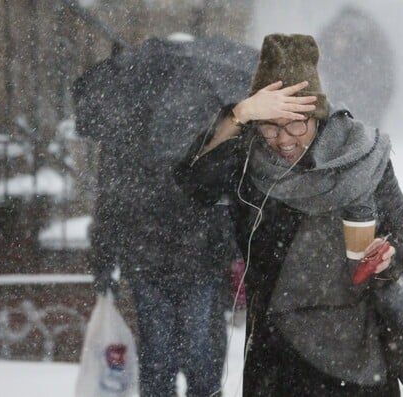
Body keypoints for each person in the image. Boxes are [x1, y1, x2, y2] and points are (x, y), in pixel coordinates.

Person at [175, 33, 403, 396]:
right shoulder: (247, 160)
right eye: (270, 125)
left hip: (355, 349)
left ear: (318, 117)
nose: (284, 139)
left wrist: (388, 256)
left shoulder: (359, 155)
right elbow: (193, 182)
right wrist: (239, 114)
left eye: (296, 124)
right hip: (277, 356)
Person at [72, 39, 246, 397]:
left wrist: (231, 249)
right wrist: (104, 260)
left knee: (196, 355)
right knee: (161, 357)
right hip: (152, 259)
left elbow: (227, 196)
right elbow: (111, 203)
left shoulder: (208, 134)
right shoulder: (125, 140)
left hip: (192, 260)